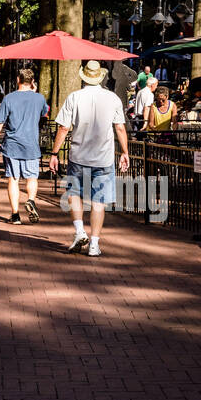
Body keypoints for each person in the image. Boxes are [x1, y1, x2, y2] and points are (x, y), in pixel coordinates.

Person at [49, 59, 130, 258]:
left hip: (78, 156)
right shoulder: (113, 99)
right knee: (98, 202)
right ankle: (94, 243)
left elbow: (63, 127)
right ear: (100, 76)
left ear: (83, 76)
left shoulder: (74, 97)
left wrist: (54, 153)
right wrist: (125, 152)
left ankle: (79, 232)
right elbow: (120, 127)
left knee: (74, 194)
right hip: (103, 158)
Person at [0, 67, 47, 224]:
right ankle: (31, 200)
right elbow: (44, 114)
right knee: (32, 177)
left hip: (12, 145)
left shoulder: (9, 98)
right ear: (32, 82)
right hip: (31, 145)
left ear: (18, 80)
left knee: (13, 179)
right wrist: (34, 93)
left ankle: (15, 215)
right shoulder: (39, 98)